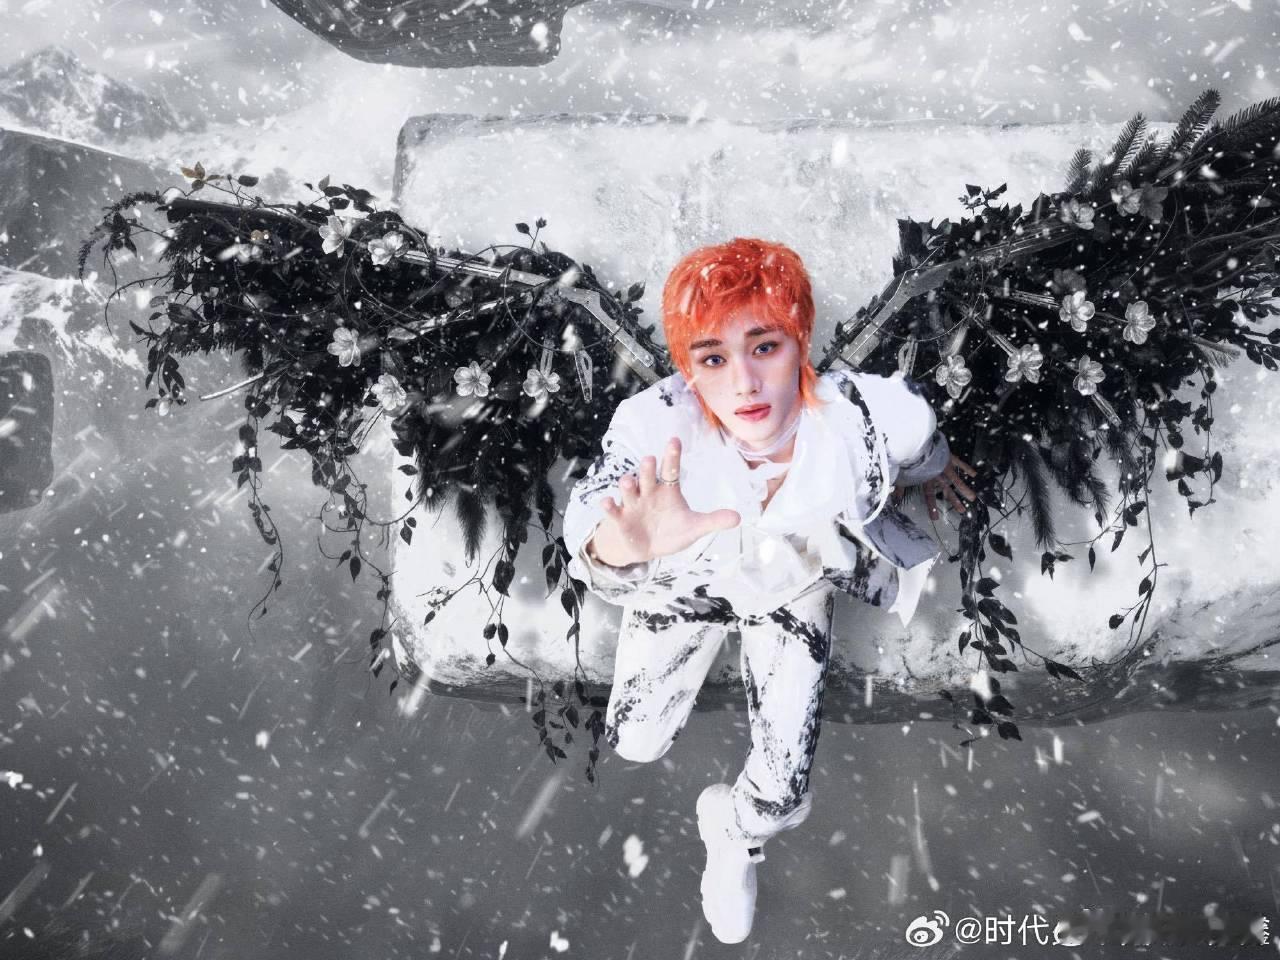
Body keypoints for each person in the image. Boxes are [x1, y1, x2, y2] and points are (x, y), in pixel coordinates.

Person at [561, 237, 976, 944]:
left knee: (781, 792)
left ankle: (732, 835)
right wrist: (623, 547)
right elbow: (591, 519)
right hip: (688, 583)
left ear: (800, 342)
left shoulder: (865, 418)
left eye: (765, 347)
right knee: (634, 740)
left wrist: (934, 467)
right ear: (687, 369)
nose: (745, 384)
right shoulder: (656, 426)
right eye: (713, 359)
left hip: (792, 585)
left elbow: (915, 443)